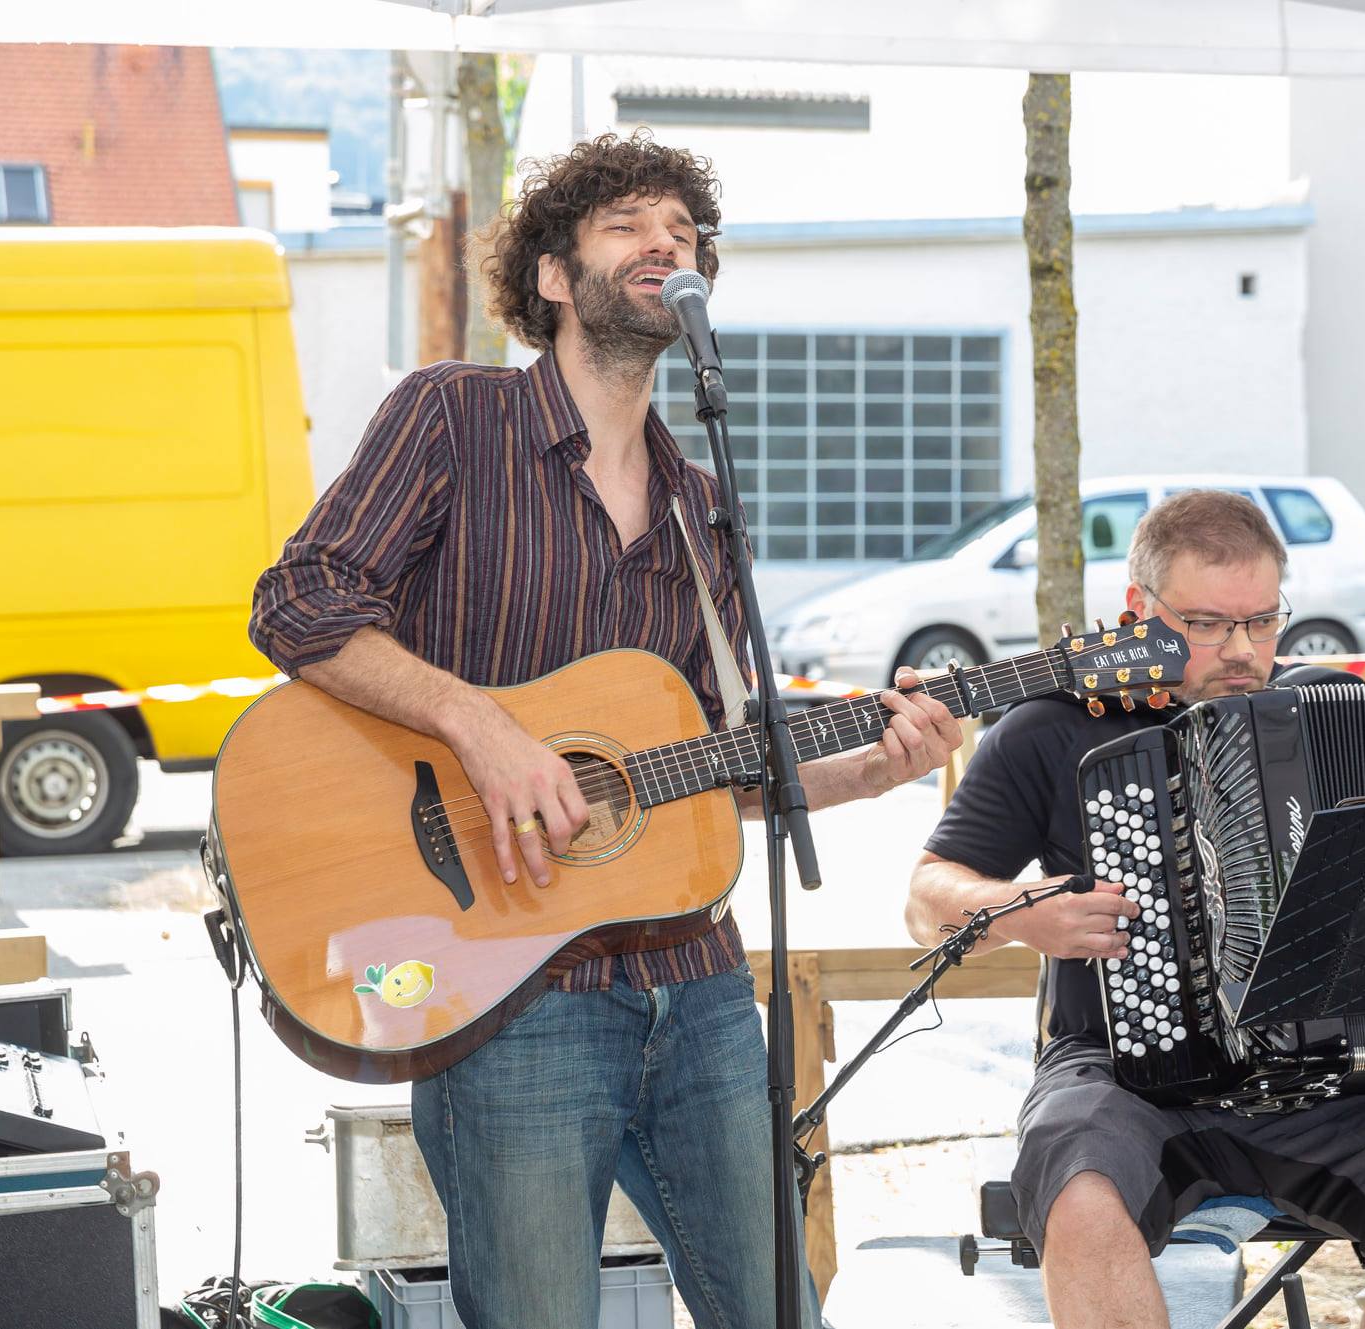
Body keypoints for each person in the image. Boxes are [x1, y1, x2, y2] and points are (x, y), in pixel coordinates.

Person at [250, 131, 963, 1329]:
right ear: (548, 274)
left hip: (694, 989)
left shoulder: (701, 504)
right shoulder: (453, 418)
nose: (664, 244)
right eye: (631, 222)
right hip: (507, 990)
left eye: (683, 232)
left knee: (779, 1313)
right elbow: (299, 600)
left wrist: (873, 770)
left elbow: (719, 767)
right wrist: (480, 728)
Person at [905, 489, 1365, 1329]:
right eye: (1207, 624)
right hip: (1125, 1075)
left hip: (1335, 1080)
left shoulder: (1339, 711)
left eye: (1262, 622)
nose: (1242, 651)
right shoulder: (1050, 729)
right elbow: (927, 896)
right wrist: (1018, 910)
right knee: (1079, 1198)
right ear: (1136, 612)